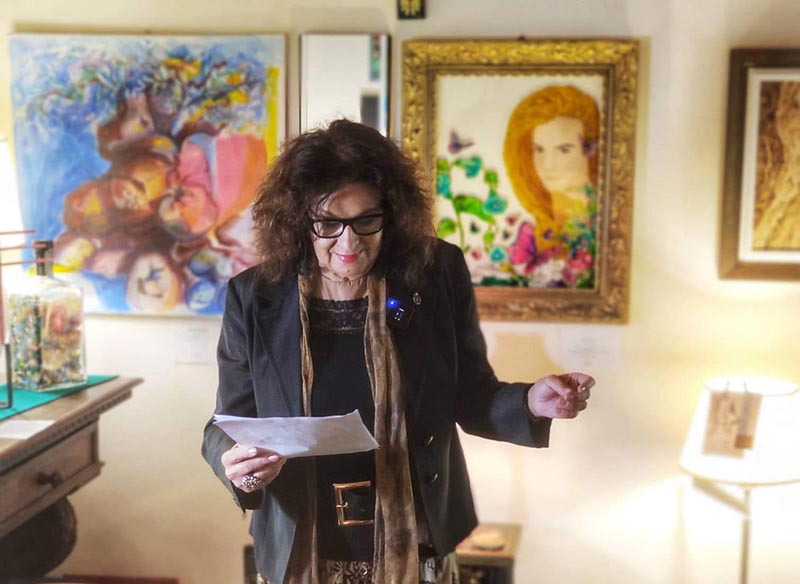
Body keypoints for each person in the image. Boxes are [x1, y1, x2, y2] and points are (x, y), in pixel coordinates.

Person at [202, 119, 595, 584]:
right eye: (328, 224)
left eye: (366, 221)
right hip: (299, 550)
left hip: (417, 543)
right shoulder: (255, 296)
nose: (349, 242)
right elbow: (226, 424)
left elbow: (471, 394)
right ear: (298, 220)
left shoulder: (435, 272)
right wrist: (239, 467)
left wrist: (531, 401)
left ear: (392, 212)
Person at [503, 85, 600, 258]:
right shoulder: (535, 230)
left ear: (590, 150)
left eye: (564, 150)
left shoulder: (602, 224)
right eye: (539, 150)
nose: (547, 165)